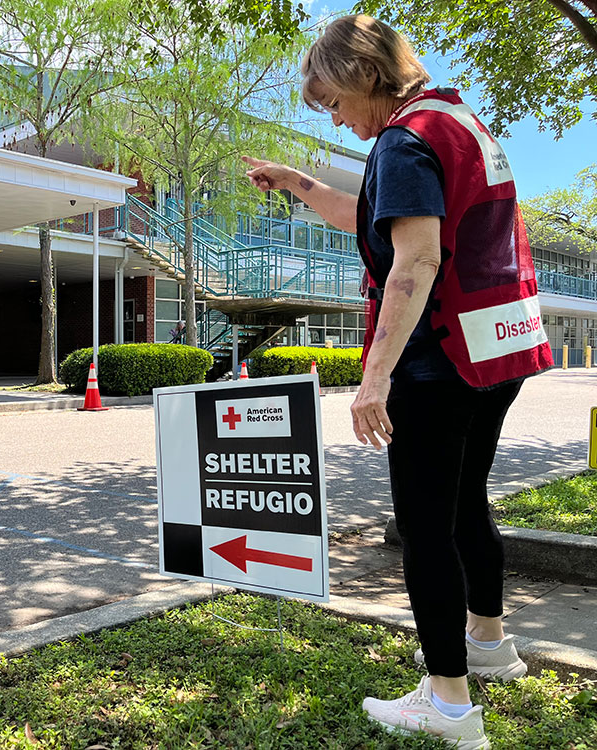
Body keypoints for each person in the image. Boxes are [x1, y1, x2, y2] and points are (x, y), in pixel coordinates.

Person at [242, 14, 552, 749]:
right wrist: (298, 184)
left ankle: (448, 705)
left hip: (436, 359)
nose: (339, 121)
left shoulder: (403, 140)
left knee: (422, 525)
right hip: (496, 353)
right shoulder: (452, 120)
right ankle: (487, 643)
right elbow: (380, 218)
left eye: (335, 103)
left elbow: (414, 262)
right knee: (466, 500)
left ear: (363, 77)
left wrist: (372, 378)